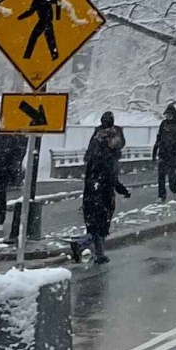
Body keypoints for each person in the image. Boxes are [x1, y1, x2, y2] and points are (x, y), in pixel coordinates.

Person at [75, 112, 130, 264]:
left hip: (92, 186)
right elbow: (110, 174)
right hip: (103, 188)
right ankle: (92, 250)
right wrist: (121, 189)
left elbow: (91, 160)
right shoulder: (108, 152)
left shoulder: (96, 140)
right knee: (101, 221)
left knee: (93, 220)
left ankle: (93, 250)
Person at [154, 103, 176, 201]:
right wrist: (155, 150)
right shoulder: (163, 124)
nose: (167, 117)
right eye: (166, 115)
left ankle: (174, 191)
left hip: (173, 153)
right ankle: (162, 196)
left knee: (171, 174)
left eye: (169, 114)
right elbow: (159, 137)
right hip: (163, 153)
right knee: (161, 175)